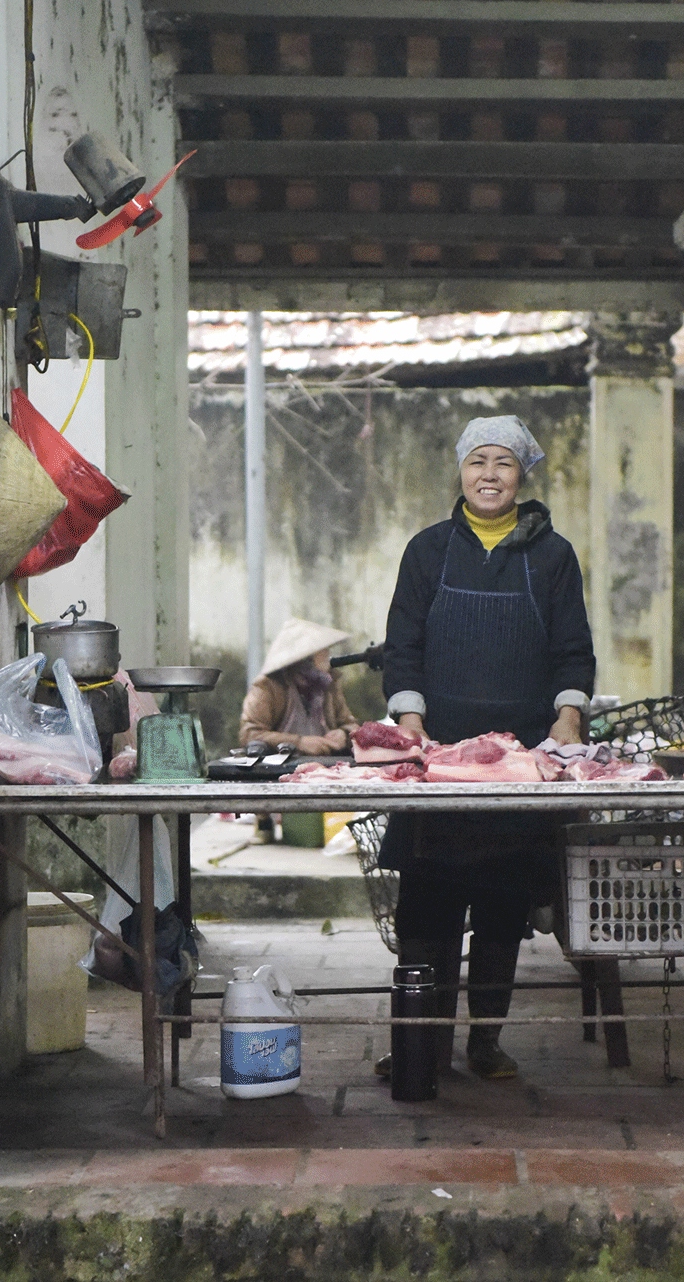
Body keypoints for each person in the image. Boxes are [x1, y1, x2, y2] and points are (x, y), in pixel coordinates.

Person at [378, 415, 595, 1080]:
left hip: (519, 767)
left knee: (502, 908)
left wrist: (566, 718)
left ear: (521, 473)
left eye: (502, 462)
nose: (489, 475)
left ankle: (484, 1043)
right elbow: (403, 644)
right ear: (461, 471)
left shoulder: (552, 555)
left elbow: (572, 650)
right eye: (478, 462)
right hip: (439, 763)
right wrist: (409, 721)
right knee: (427, 908)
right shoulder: (428, 550)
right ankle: (421, 1044)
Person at [238, 617, 358, 755]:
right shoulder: (268, 686)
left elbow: (351, 725)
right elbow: (249, 734)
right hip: (278, 768)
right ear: (305, 658)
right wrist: (299, 742)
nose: (327, 655)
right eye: (322, 651)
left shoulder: (328, 684)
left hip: (324, 768)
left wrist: (343, 734)